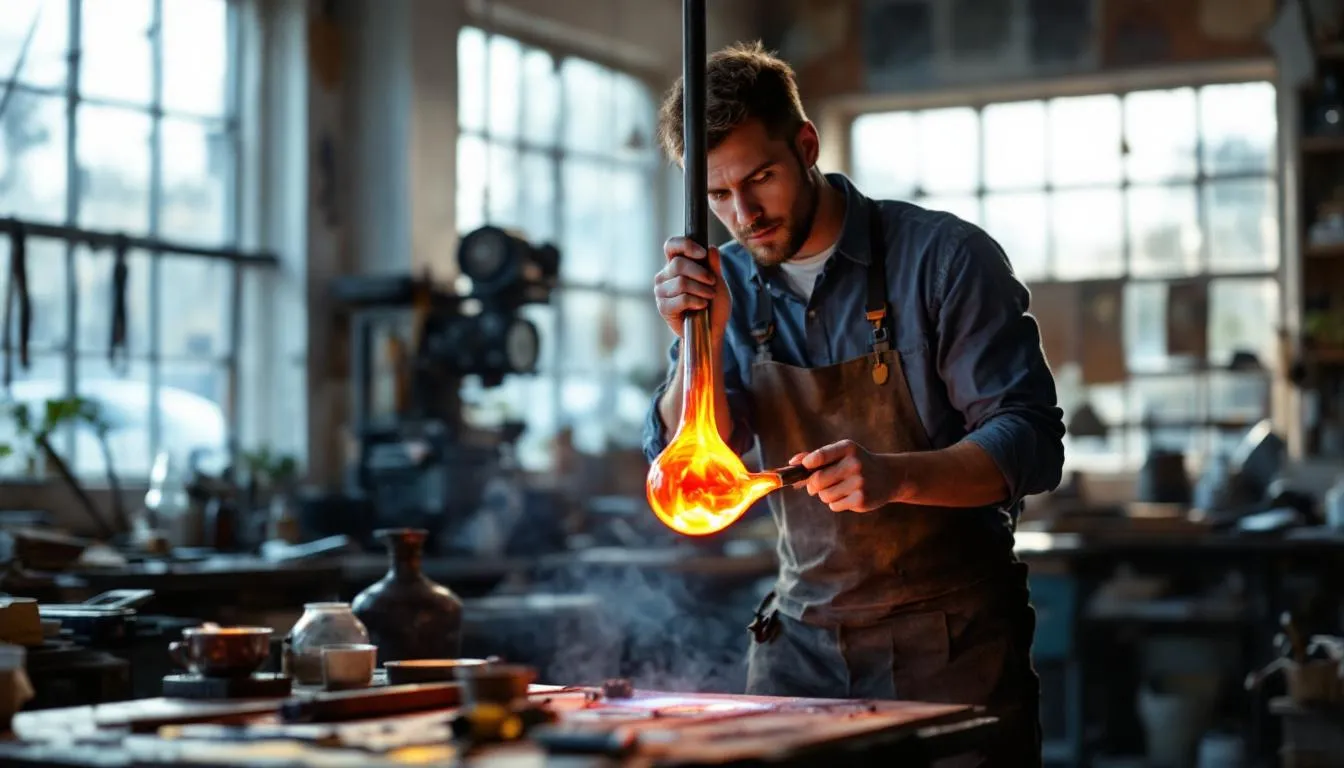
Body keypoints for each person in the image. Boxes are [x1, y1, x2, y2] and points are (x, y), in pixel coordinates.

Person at [641, 42, 1065, 767]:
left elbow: (1030, 441)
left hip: (949, 649)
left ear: (805, 145)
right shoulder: (725, 285)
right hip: (800, 649)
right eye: (716, 196)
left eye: (760, 178)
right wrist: (698, 341)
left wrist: (897, 476)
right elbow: (689, 467)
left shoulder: (944, 260)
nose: (742, 213)